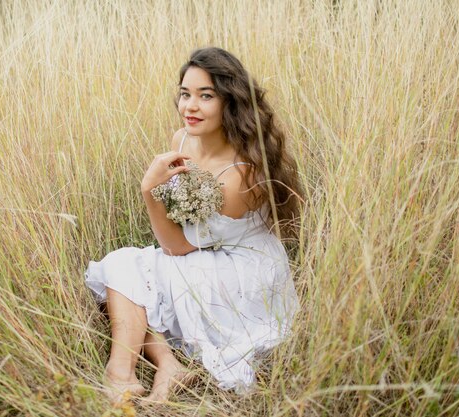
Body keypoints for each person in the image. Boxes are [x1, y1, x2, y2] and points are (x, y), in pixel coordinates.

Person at [85, 47, 304, 403]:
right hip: (196, 246)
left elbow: (177, 247)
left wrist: (149, 191)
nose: (190, 106)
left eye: (206, 96)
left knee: (131, 275)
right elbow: (181, 233)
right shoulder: (182, 140)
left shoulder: (240, 175)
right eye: (185, 94)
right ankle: (141, 369)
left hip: (240, 269)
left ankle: (137, 371)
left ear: (230, 103)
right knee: (127, 268)